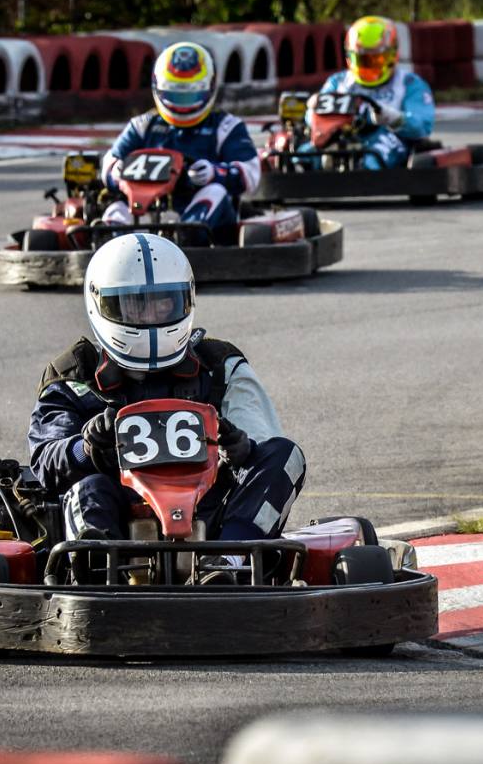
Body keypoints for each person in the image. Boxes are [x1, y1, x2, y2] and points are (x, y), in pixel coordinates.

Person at [27, 233, 305, 569]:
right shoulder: (74, 374)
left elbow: (262, 447)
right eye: (136, 304)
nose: (151, 317)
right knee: (88, 487)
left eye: (163, 302)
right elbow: (45, 461)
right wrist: (85, 448)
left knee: (286, 455)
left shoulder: (220, 366)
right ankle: (100, 573)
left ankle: (227, 562)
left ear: (185, 300)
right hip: (117, 505)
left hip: (209, 508)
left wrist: (240, 450)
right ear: (102, 304)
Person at [99, 42, 260, 240]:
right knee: (116, 207)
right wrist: (117, 172)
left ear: (209, 87)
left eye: (191, 94)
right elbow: (109, 164)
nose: (183, 104)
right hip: (143, 208)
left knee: (215, 191)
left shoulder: (226, 126)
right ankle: (111, 243)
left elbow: (251, 174)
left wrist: (214, 173)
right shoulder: (143, 125)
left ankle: (183, 236)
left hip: (208, 222)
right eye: (175, 94)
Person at [301, 15, 435, 169]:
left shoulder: (409, 84)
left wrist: (393, 118)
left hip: (388, 135)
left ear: (392, 55)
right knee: (303, 153)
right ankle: (306, 164)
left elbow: (422, 127)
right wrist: (314, 110)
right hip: (341, 135)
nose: (369, 66)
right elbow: (312, 119)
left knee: (374, 154)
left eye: (376, 59)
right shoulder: (338, 82)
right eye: (362, 59)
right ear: (350, 56)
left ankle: (365, 167)